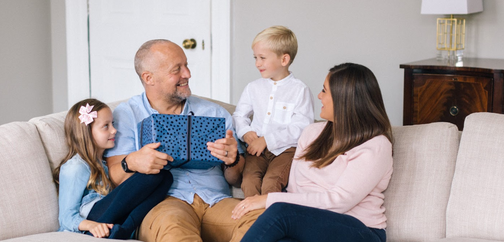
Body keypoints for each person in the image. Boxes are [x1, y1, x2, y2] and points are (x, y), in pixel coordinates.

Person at [231, 63, 394, 242]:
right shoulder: (311, 133)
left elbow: (339, 201)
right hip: (309, 225)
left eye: (324, 91)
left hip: (360, 230)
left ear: (344, 99)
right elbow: (295, 189)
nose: (319, 96)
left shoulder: (376, 145)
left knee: (280, 211)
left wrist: (268, 199)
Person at [103, 39, 246, 242]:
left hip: (217, 201)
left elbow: (236, 179)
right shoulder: (126, 115)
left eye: (186, 65)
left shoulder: (214, 113)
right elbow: (114, 177)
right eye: (176, 69)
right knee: (175, 232)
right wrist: (132, 162)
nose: (187, 74)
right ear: (149, 78)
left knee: (265, 220)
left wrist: (232, 160)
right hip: (163, 204)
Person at [53, 98, 173, 239]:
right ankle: (113, 230)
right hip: (90, 222)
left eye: (113, 124)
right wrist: (91, 226)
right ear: (86, 132)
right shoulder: (76, 166)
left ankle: (123, 230)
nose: (114, 130)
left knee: (166, 177)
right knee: (154, 175)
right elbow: (66, 217)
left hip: (109, 220)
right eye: (106, 126)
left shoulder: (103, 164)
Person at [233, 25, 314, 198]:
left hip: (284, 151)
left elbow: (302, 127)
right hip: (256, 150)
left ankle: (269, 221)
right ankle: (252, 220)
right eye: (255, 57)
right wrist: (245, 132)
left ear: (284, 60)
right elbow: (239, 115)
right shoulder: (253, 88)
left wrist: (267, 140)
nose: (257, 63)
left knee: (271, 184)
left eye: (262, 58)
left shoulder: (299, 90)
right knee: (248, 182)